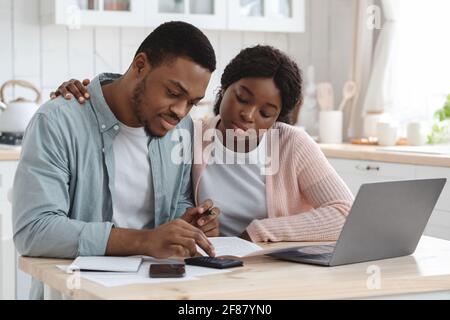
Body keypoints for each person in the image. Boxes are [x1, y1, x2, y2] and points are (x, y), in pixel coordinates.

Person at [54, 45, 354, 244]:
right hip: (212, 268)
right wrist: (87, 93)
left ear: (278, 117)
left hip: (274, 270)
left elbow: (344, 213)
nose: (248, 115)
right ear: (225, 88)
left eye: (265, 112)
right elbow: (137, 98)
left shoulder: (291, 144)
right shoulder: (188, 133)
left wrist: (258, 232)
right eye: (242, 97)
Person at [13, 21, 221, 300]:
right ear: (140, 65)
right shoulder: (57, 121)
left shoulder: (181, 130)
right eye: (173, 93)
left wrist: (187, 225)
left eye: (192, 102)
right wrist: (145, 241)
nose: (181, 111)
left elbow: (178, 199)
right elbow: (34, 231)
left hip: (160, 290)